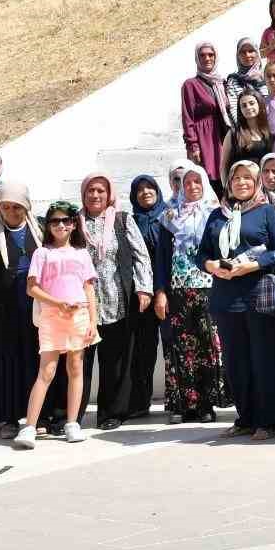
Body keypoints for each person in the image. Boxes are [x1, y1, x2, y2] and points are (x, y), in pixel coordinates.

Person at [201, 160, 275, 440]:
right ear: (228, 182)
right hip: (227, 299)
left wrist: (252, 265)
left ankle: (270, 421)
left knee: (265, 359)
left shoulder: (267, 212)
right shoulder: (218, 216)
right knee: (236, 361)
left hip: (260, 297)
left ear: (257, 183)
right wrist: (211, 266)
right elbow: (201, 252)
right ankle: (246, 417)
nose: (241, 182)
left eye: (247, 178)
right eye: (236, 178)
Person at [16, 201, 100, 448]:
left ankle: (73, 423)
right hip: (52, 317)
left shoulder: (82, 254)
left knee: (76, 367)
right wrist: (58, 303)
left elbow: (89, 288)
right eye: (55, 221)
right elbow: (32, 288)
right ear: (48, 225)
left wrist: (93, 321)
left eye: (65, 220)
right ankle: (30, 426)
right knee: (47, 371)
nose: (60, 225)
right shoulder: (42, 253)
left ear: (74, 225)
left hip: (79, 316)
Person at [76, 174, 154, 431]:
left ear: (108, 193)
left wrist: (144, 289)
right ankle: (70, 415)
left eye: (100, 190)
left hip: (116, 301)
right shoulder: (74, 222)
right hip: (82, 305)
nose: (95, 195)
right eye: (90, 190)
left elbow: (140, 255)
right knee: (80, 362)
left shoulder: (122, 220)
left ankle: (111, 413)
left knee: (115, 361)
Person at [0, 180, 44, 438]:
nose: (12, 212)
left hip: (34, 307)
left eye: (17, 207)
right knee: (4, 363)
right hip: (0, 310)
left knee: (33, 359)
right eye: (7, 207)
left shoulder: (41, 229)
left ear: (27, 206)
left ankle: (36, 416)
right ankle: (8, 419)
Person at [159, 165, 228, 423]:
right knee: (182, 345)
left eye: (197, 182)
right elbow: (163, 256)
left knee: (208, 345)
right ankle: (185, 404)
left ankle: (207, 404)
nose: (192, 187)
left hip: (209, 286)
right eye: (187, 183)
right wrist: (161, 291)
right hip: (178, 289)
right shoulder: (168, 216)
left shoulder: (216, 214)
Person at [127, 175, 173, 423]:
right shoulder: (131, 222)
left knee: (173, 347)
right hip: (142, 295)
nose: (145, 192)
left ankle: (177, 400)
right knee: (143, 350)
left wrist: (161, 290)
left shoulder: (169, 217)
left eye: (150, 187)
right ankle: (139, 402)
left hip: (167, 291)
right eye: (139, 190)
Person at [181, 42, 234, 192]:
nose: (207, 58)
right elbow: (187, 117)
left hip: (222, 136)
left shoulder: (221, 83)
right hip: (205, 138)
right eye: (202, 55)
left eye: (211, 55)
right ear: (197, 59)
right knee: (209, 180)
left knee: (226, 177)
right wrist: (193, 146)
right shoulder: (190, 85)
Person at [221, 89, 275, 184]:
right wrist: (227, 190)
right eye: (244, 105)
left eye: (251, 103)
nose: (248, 107)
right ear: (240, 110)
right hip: (239, 187)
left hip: (261, 187)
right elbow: (223, 166)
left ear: (259, 104)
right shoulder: (233, 134)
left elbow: (272, 164)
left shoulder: (270, 134)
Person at [224, 38, 268, 124]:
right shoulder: (233, 80)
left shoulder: (267, 75)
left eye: (251, 51)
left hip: (268, 125)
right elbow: (234, 108)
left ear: (257, 53)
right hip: (246, 129)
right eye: (243, 52)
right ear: (238, 56)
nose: (247, 55)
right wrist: (243, 128)